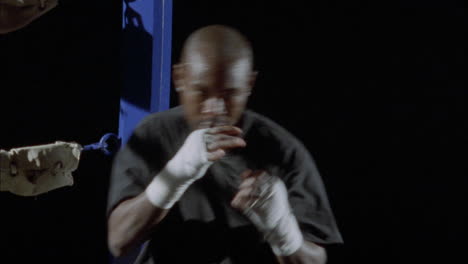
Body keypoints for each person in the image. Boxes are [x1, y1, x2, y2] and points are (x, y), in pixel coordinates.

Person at [107, 24, 342, 264]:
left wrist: (282, 230)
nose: (215, 109)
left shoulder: (283, 150)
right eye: (201, 92)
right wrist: (176, 174)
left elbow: (315, 260)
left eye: (229, 94)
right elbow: (118, 241)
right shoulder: (153, 135)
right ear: (179, 78)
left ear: (249, 85)